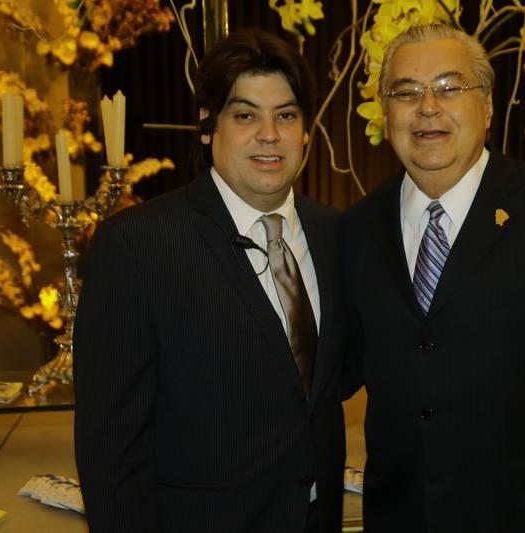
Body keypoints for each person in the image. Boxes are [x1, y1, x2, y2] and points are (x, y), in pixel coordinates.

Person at [340, 24, 525, 532]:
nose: (428, 107)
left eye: (449, 87)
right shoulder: (357, 230)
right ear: (384, 114)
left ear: (486, 106)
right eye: (406, 92)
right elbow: (333, 371)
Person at [74, 29, 345, 533]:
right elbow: (111, 446)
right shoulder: (136, 246)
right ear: (207, 125)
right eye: (245, 116)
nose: (269, 134)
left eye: (286, 116)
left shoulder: (335, 235)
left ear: (306, 130)